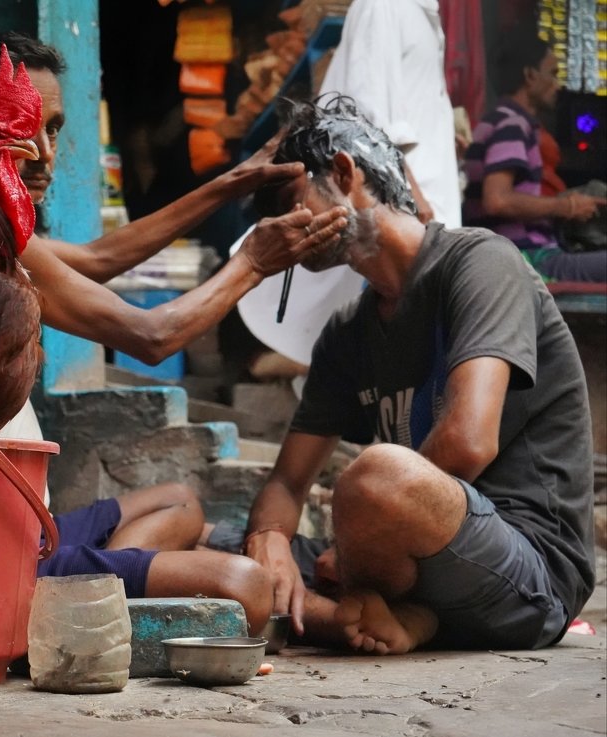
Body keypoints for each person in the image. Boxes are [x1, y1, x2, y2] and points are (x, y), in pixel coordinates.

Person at [0, 31, 349, 636]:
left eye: (53, 129)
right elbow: (154, 335)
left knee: (180, 503)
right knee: (246, 586)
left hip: (22, 526)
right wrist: (254, 263)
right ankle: (79, 610)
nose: (44, 153)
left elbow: (98, 259)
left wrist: (227, 184)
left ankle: (95, 601)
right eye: (21, 128)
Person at [234, 95, 595, 654]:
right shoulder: (346, 332)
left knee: (376, 477)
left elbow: (469, 442)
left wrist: (352, 543)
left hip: (532, 572)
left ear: (345, 173)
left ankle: (371, 605)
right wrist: (269, 540)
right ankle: (403, 616)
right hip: (425, 557)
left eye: (288, 202)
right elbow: (286, 482)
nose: (281, 228)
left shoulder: (481, 261)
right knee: (212, 542)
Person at [462, 30, 606, 283]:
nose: (558, 84)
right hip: (529, 258)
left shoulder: (496, 119)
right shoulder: (512, 124)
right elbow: (497, 200)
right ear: (530, 75)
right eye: (552, 73)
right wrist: (566, 207)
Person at [318, 0, 462, 228]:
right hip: (406, 207)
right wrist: (409, 193)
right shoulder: (382, 5)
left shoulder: (422, 14)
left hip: (424, 204)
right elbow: (365, 115)